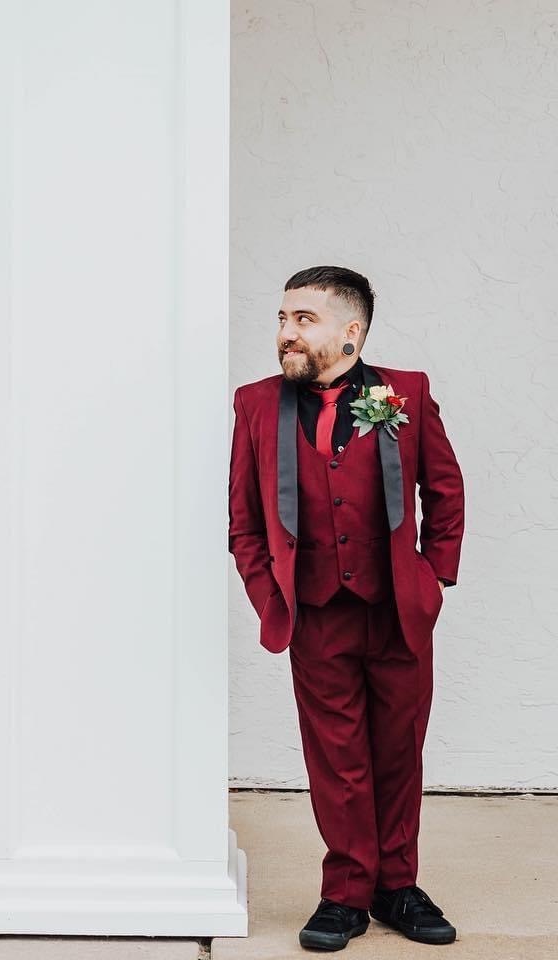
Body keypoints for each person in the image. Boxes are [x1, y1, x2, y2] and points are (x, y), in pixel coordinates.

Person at [228, 266, 464, 952]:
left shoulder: (407, 394)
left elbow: (444, 493)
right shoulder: (255, 404)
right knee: (336, 759)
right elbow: (243, 520)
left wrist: (434, 578)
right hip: (315, 614)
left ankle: (398, 887)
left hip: (397, 611)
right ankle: (345, 893)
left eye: (303, 319)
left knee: (398, 752)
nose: (285, 333)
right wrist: (271, 595)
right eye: (281, 318)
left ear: (350, 332)